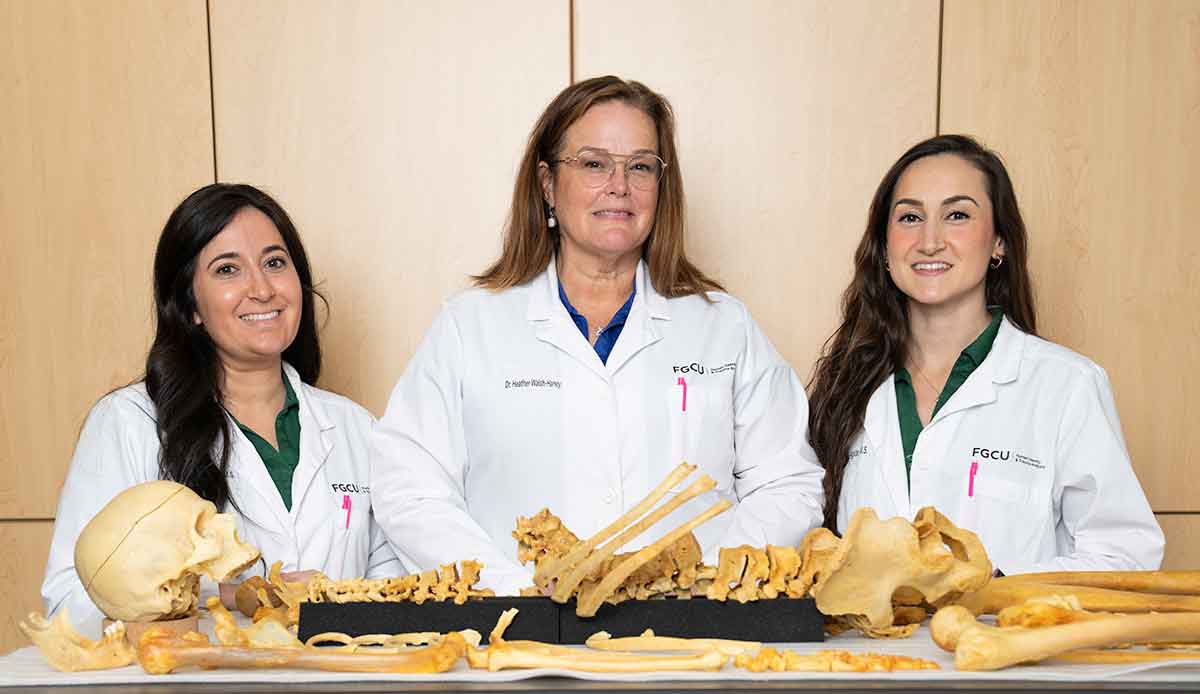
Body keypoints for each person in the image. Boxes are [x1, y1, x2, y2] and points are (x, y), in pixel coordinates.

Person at [370, 76, 824, 595]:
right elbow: (408, 486)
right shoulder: (470, 326)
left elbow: (788, 482)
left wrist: (700, 576)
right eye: (593, 163)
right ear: (546, 184)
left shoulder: (723, 326)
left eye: (640, 166)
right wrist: (509, 587)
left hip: (687, 637)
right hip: (519, 635)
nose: (620, 186)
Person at [42, 183, 400, 636]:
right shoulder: (130, 423)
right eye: (228, 269)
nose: (262, 288)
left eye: (275, 263)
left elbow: (389, 583)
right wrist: (237, 596)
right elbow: (70, 603)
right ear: (191, 305)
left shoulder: (355, 427)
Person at [807, 134, 1163, 573]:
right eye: (910, 217)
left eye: (956, 215)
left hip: (1002, 637)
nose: (930, 240)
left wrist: (992, 589)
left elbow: (1124, 555)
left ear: (999, 243)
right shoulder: (845, 386)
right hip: (866, 643)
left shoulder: (1066, 386)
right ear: (884, 247)